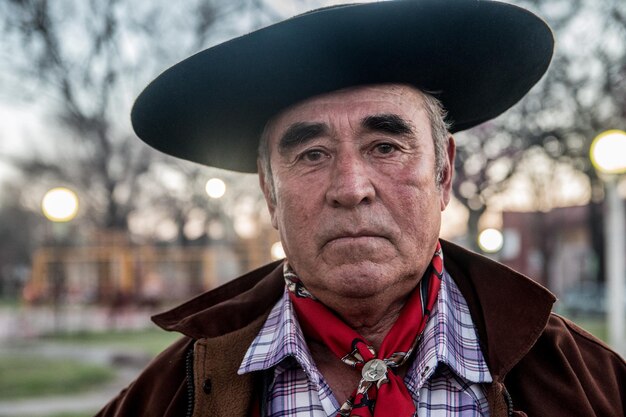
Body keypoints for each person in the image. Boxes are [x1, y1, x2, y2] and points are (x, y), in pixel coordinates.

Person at [97, 1, 625, 416]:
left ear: (443, 172)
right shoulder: (169, 397)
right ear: (269, 191)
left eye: (386, 147)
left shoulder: (589, 383)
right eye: (311, 154)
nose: (351, 188)